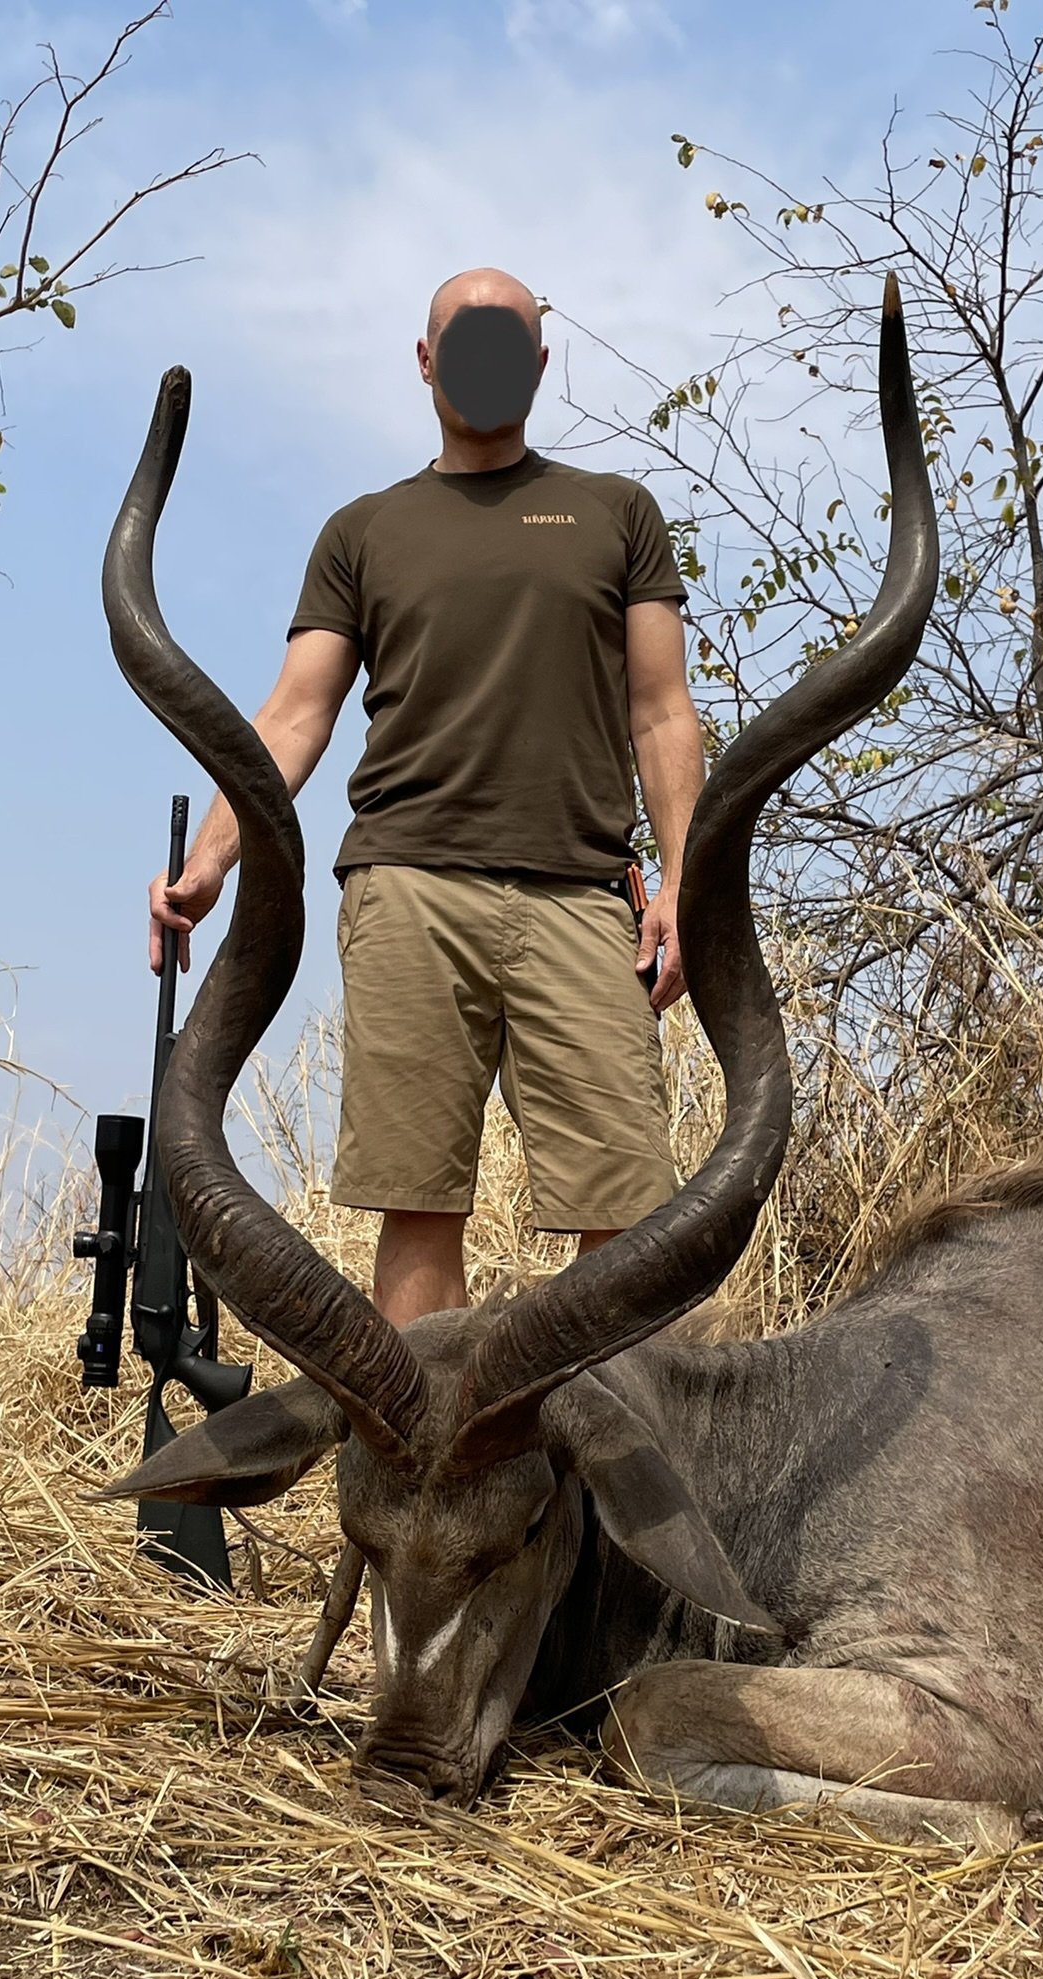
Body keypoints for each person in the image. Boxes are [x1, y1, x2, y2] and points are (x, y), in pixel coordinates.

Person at [148, 266, 705, 1327]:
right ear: (422, 361)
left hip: (583, 898)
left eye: (508, 344)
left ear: (538, 367)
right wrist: (212, 855)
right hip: (406, 888)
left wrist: (685, 882)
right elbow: (293, 716)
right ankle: (430, 1481)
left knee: (627, 1208)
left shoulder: (614, 512)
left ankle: (600, 1487)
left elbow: (662, 711)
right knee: (414, 1204)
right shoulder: (363, 530)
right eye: (463, 342)